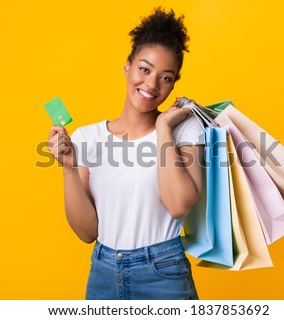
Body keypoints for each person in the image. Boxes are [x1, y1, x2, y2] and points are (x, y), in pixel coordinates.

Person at [48, 7, 205, 300]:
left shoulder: (183, 129)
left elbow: (179, 205)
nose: (152, 84)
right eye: (144, 69)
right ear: (127, 67)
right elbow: (86, 232)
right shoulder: (87, 137)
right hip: (103, 273)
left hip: (164, 274)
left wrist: (163, 128)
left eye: (166, 77)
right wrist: (69, 167)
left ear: (173, 83)